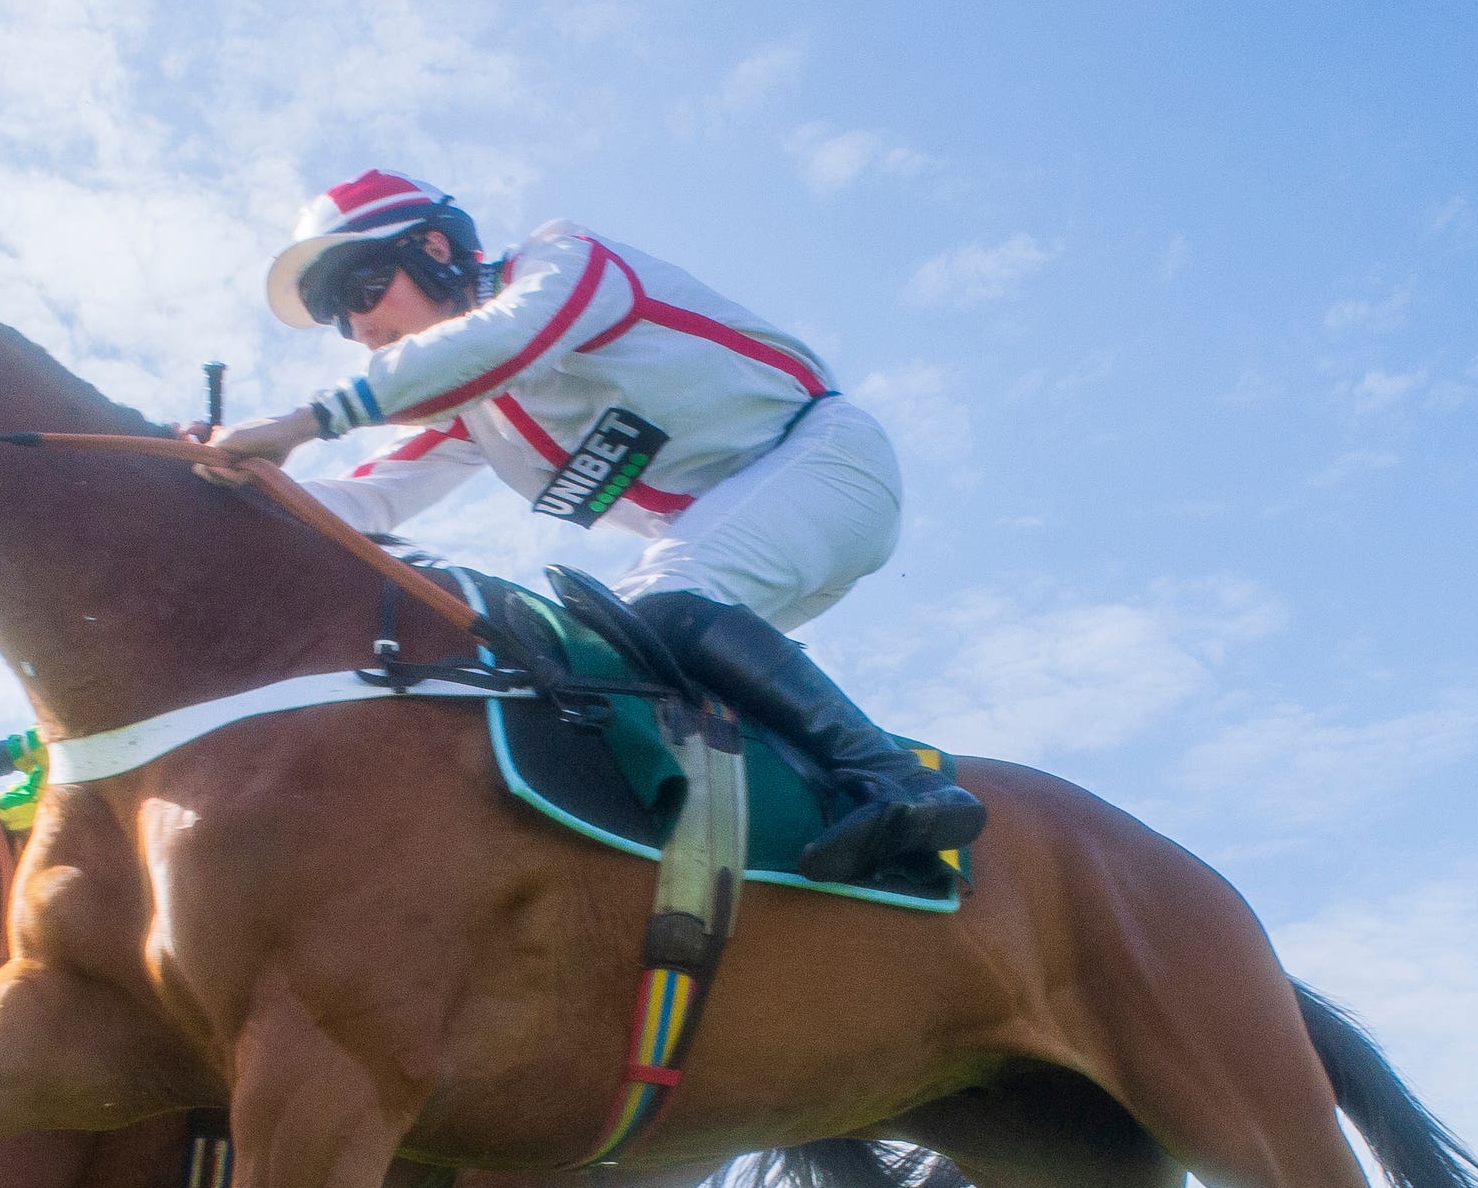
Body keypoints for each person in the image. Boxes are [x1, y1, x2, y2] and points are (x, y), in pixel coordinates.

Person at [210, 171, 985, 885]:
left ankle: (899, 783)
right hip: (745, 538)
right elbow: (369, 500)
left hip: (827, 465)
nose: (360, 326)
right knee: (621, 668)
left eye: (364, 288)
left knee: (657, 598)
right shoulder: (476, 411)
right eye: (339, 318)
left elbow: (498, 340)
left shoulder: (562, 265)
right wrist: (221, 488)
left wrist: (304, 420)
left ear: (436, 250)